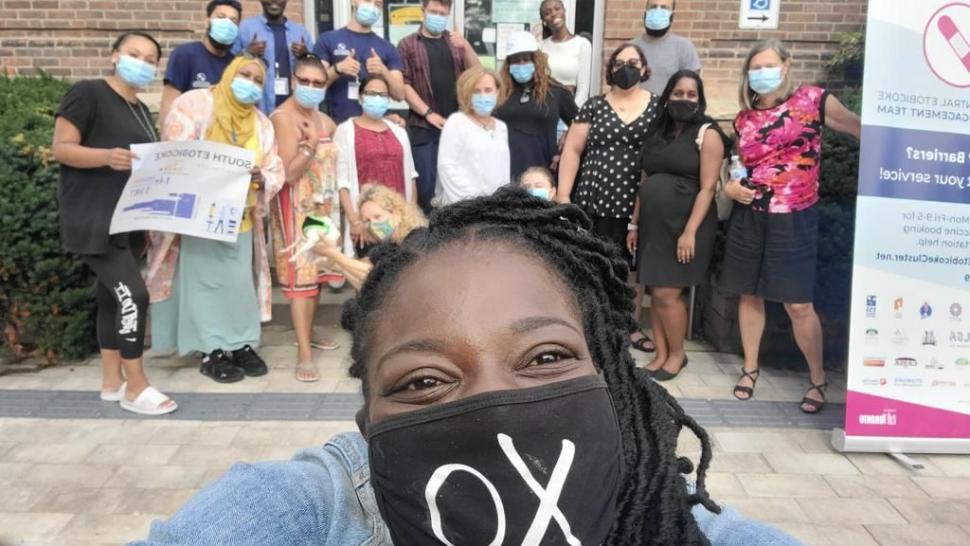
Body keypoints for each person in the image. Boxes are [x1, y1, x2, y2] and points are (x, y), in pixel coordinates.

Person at [133, 187, 801, 546]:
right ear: (370, 422)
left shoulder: (670, 524)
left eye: (544, 357)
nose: (495, 406)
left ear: (614, 379)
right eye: (424, 380)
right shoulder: (313, 510)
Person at [722, 40, 861, 413]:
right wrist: (731, 185)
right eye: (755, 67)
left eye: (769, 64)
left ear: (786, 65)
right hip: (750, 216)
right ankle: (750, 368)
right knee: (749, 294)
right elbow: (737, 163)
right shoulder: (744, 118)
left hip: (795, 216)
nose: (762, 73)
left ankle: (817, 380)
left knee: (798, 305)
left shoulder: (813, 101)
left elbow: (863, 131)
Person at [51, 32, 177, 415]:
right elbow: (62, 148)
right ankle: (137, 387)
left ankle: (111, 381)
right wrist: (106, 156)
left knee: (111, 297)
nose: (142, 62)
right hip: (94, 219)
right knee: (133, 296)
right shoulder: (87, 93)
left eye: (150, 58)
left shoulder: (139, 108)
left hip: (128, 219)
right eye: (134, 54)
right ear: (114, 56)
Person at [147, 56, 284, 384]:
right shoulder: (195, 105)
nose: (249, 82)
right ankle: (212, 350)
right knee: (205, 287)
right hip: (199, 219)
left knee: (239, 286)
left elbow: (273, 165)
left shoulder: (261, 124)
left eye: (257, 79)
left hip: (240, 220)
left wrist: (260, 177)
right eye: (244, 74)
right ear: (228, 74)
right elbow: (175, 152)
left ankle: (241, 344)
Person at [627, 70, 729, 380]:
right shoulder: (656, 132)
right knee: (656, 293)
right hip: (653, 226)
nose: (684, 100)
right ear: (668, 96)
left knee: (668, 294)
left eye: (691, 95)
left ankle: (677, 355)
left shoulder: (707, 133)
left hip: (686, 225)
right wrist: (634, 224)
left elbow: (708, 188)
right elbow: (644, 181)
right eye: (678, 94)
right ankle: (660, 354)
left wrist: (690, 232)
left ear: (700, 99)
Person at [558, 43, 659, 354]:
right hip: (595, 196)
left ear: (644, 68)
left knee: (631, 268)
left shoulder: (659, 107)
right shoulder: (593, 106)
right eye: (618, 62)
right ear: (610, 68)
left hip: (637, 203)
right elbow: (572, 151)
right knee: (595, 264)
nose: (625, 67)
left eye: (632, 61)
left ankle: (628, 325)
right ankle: (596, 326)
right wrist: (563, 195)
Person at [269, 54, 343, 383]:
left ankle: (309, 333)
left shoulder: (322, 118)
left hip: (321, 210)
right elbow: (287, 173)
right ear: (294, 81)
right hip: (294, 209)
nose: (312, 88)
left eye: (318, 83)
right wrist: (310, 147)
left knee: (315, 278)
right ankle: (303, 352)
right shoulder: (283, 118)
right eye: (306, 82)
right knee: (300, 282)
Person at [397, 0, 480, 213]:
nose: (438, 16)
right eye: (434, 11)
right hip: (424, 129)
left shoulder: (455, 43)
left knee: (458, 192)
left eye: (443, 13)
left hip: (457, 129)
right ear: (423, 11)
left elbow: (478, 74)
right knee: (426, 192)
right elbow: (403, 84)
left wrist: (466, 45)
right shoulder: (407, 44)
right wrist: (428, 113)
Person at [334, 75, 418, 257]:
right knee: (369, 274)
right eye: (372, 93)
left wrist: (410, 217)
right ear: (361, 97)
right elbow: (342, 182)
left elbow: (411, 176)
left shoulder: (399, 131)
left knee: (399, 275)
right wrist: (354, 220)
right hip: (367, 222)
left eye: (383, 95)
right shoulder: (345, 131)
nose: (377, 99)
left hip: (397, 221)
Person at [311, 184, 427, 290]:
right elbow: (367, 284)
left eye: (378, 217)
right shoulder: (388, 245)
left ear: (397, 214)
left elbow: (376, 273)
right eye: (367, 220)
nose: (373, 225)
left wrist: (334, 255)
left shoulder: (417, 238)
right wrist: (338, 265)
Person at [494, 30, 577, 179]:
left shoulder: (556, 91)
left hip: (543, 175)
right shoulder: (499, 91)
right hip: (503, 173)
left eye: (526, 59)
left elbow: (581, 123)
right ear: (508, 64)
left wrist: (567, 138)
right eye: (516, 61)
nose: (521, 65)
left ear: (536, 60)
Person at [313, 0, 406, 124]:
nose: (372, 7)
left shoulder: (387, 47)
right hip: (336, 124)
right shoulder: (327, 40)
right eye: (367, 0)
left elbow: (400, 95)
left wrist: (383, 71)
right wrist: (337, 69)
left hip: (373, 127)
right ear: (353, 2)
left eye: (377, 4)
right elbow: (314, 86)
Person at [436, 66, 509, 206]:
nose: (483, 96)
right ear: (466, 94)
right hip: (463, 207)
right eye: (476, 91)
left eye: (488, 90)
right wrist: (474, 202)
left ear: (498, 92)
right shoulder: (456, 122)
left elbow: (503, 171)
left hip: (495, 208)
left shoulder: (501, 127)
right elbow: (446, 166)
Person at [161, 0, 242, 126]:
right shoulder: (185, 54)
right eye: (221, 17)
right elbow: (169, 104)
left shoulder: (235, 64)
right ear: (207, 21)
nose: (227, 24)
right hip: (188, 138)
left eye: (233, 21)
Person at [233, 0, 315, 113]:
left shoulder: (300, 31)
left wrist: (306, 55)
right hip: (254, 111)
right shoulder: (245, 28)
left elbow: (315, 70)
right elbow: (228, 67)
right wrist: (247, 53)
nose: (275, 1)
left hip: (293, 112)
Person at [632, 0, 702, 96]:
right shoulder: (630, 48)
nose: (658, 11)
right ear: (645, 13)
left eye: (664, 8)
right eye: (653, 7)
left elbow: (692, 90)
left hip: (670, 109)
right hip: (636, 109)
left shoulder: (684, 47)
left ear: (672, 16)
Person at [539, 0, 592, 107]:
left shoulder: (582, 44)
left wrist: (574, 115)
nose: (553, 14)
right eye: (547, 13)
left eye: (557, 8)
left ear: (564, 11)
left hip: (571, 107)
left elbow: (583, 89)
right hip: (546, 108)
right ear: (544, 20)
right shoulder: (540, 47)